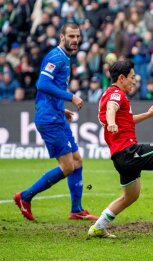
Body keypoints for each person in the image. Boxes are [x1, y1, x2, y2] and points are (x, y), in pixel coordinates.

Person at [88, 60, 153, 238]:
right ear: (122, 78)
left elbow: (126, 120)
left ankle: (98, 227)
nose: (134, 81)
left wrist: (148, 114)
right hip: (128, 151)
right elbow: (111, 109)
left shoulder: (111, 94)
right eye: (132, 78)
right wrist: (112, 123)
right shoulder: (116, 94)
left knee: (130, 196)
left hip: (120, 157)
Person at [13, 23, 97, 221]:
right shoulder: (56, 57)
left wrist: (61, 108)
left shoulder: (65, 58)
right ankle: (24, 197)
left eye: (77, 36)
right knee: (68, 166)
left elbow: (51, 87)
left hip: (56, 115)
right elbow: (42, 84)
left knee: (77, 161)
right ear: (62, 37)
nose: (75, 40)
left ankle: (76, 209)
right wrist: (71, 96)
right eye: (71, 36)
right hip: (49, 119)